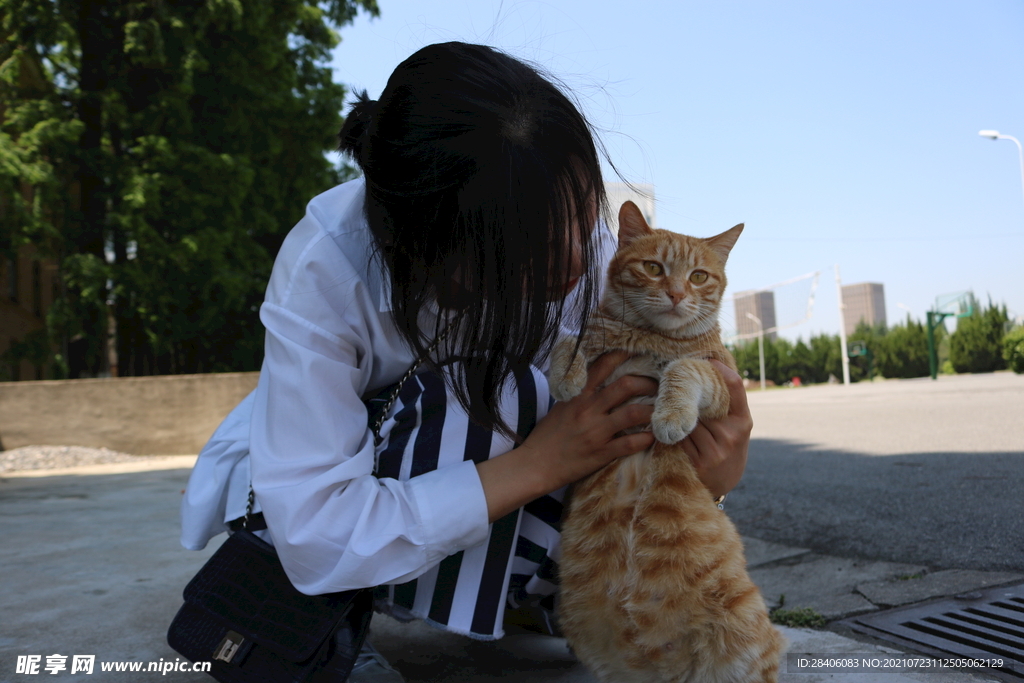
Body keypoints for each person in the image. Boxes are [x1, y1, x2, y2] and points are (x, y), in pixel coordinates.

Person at [180, 41, 752, 682]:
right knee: (493, 390)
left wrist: (713, 475)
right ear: (432, 257)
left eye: (583, 208)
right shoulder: (328, 263)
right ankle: (339, 620)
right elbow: (315, 531)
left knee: (601, 388)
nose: (575, 258)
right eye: (532, 249)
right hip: (336, 495)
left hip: (493, 505)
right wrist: (544, 462)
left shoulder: (591, 249)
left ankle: (531, 592)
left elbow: (640, 418)